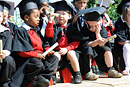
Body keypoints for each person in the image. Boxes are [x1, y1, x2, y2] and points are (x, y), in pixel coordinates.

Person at [10, 0, 59, 87]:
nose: (38, 19)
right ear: (26, 17)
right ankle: (27, 83)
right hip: (28, 61)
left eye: (39, 17)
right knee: (37, 63)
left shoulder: (36, 30)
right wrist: (36, 55)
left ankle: (40, 79)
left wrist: (47, 50)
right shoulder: (21, 31)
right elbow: (21, 52)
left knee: (54, 58)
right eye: (36, 17)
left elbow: (44, 44)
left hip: (39, 58)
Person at [74, 7, 122, 80]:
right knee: (88, 49)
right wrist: (97, 41)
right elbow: (86, 44)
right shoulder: (83, 30)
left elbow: (103, 44)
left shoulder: (102, 29)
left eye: (96, 25)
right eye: (91, 26)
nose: (93, 28)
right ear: (86, 23)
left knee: (107, 50)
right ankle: (88, 72)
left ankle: (111, 69)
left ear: (99, 22)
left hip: (99, 51)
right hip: (88, 52)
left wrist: (98, 34)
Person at [45, 0, 82, 84]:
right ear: (55, 16)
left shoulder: (71, 28)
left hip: (69, 51)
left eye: (64, 14)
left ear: (69, 16)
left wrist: (67, 49)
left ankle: (77, 74)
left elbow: (76, 41)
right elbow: (49, 35)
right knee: (56, 55)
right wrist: (50, 22)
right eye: (58, 14)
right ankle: (53, 75)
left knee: (71, 53)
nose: (61, 16)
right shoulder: (53, 27)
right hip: (57, 51)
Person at [0, 1, 16, 87]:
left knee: (9, 60)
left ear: (2, 18)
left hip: (2, 57)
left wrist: (5, 53)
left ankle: (4, 83)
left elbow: (8, 48)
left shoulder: (6, 31)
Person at [114, 0, 130, 75]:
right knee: (127, 46)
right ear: (124, 15)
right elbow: (120, 41)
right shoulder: (120, 23)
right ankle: (127, 68)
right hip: (121, 48)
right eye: (129, 15)